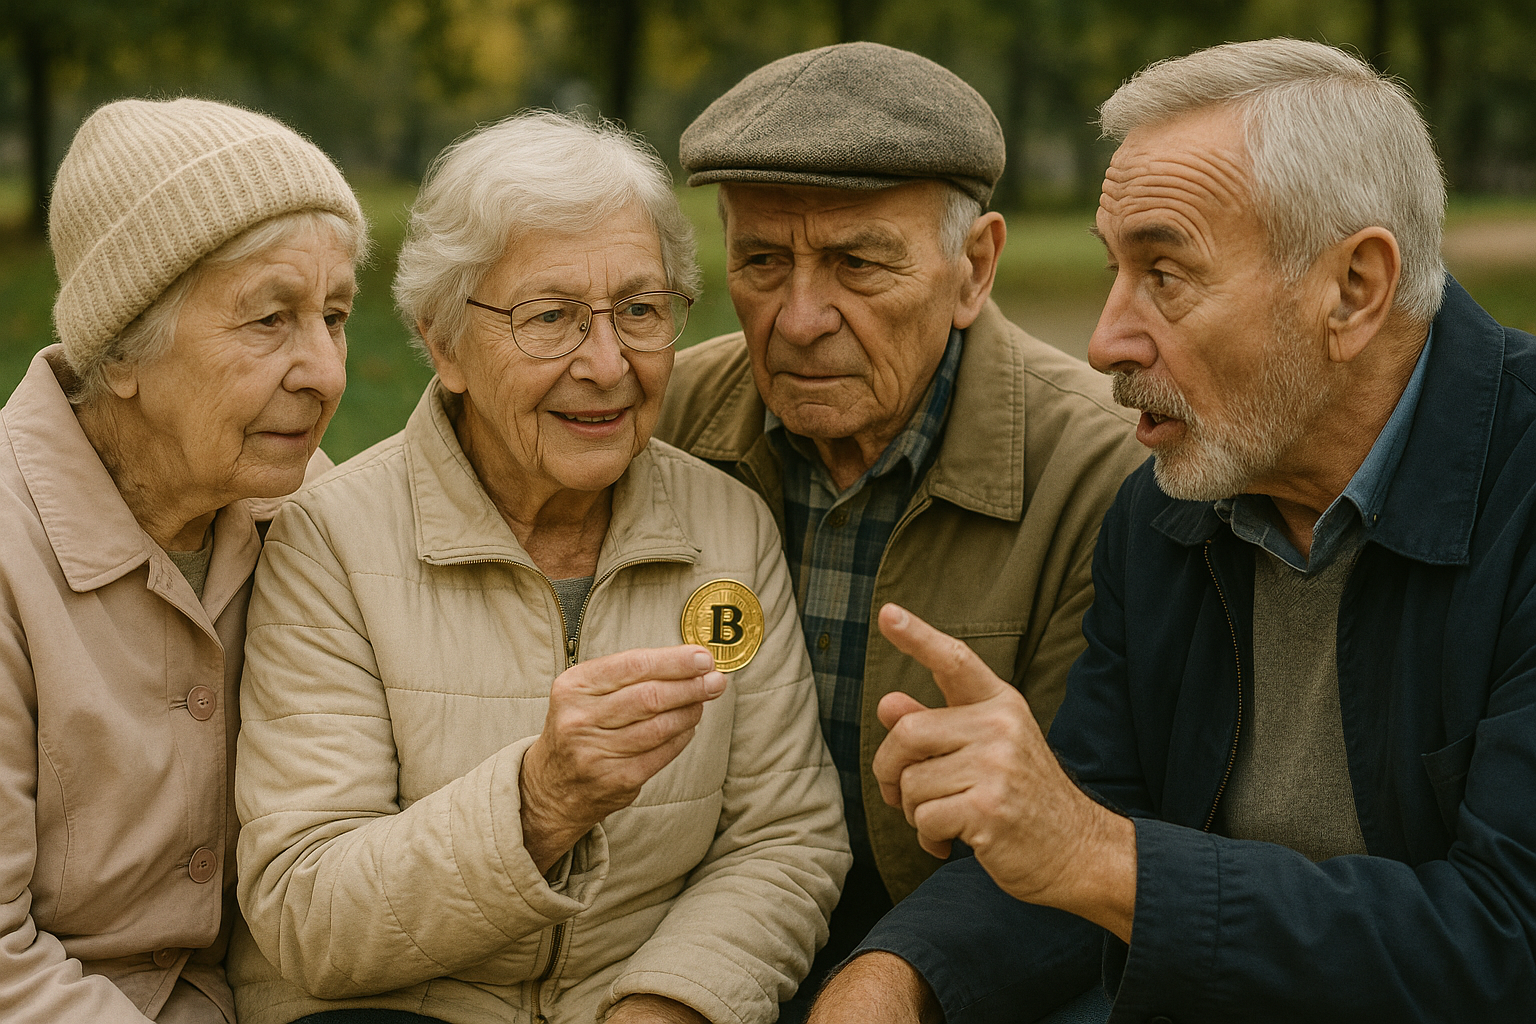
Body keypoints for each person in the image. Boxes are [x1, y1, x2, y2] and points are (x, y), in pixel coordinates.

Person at [811, 37, 1536, 1024]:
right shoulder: (1166, 508)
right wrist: (893, 977)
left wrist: (1099, 856)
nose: (1108, 338)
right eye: (1115, 270)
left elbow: (1509, 938)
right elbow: (1072, 829)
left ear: (1354, 289)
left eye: (1166, 273)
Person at [229, 111, 850, 1024]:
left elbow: (784, 842)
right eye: (549, 317)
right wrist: (537, 803)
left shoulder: (727, 529)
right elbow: (309, 908)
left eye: (639, 310)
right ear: (444, 343)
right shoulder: (332, 541)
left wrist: (669, 1005)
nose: (606, 364)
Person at [654, 41, 1146, 1002]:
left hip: (982, 968)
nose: (799, 318)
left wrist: (901, 979)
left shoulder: (1105, 473)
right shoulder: (658, 425)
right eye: (760, 260)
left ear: (975, 267)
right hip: (696, 941)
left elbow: (1093, 831)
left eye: (857, 262)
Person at [0, 98, 365, 1022]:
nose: (324, 371)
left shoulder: (310, 506)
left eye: (335, 314)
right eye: (270, 319)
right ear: (122, 347)